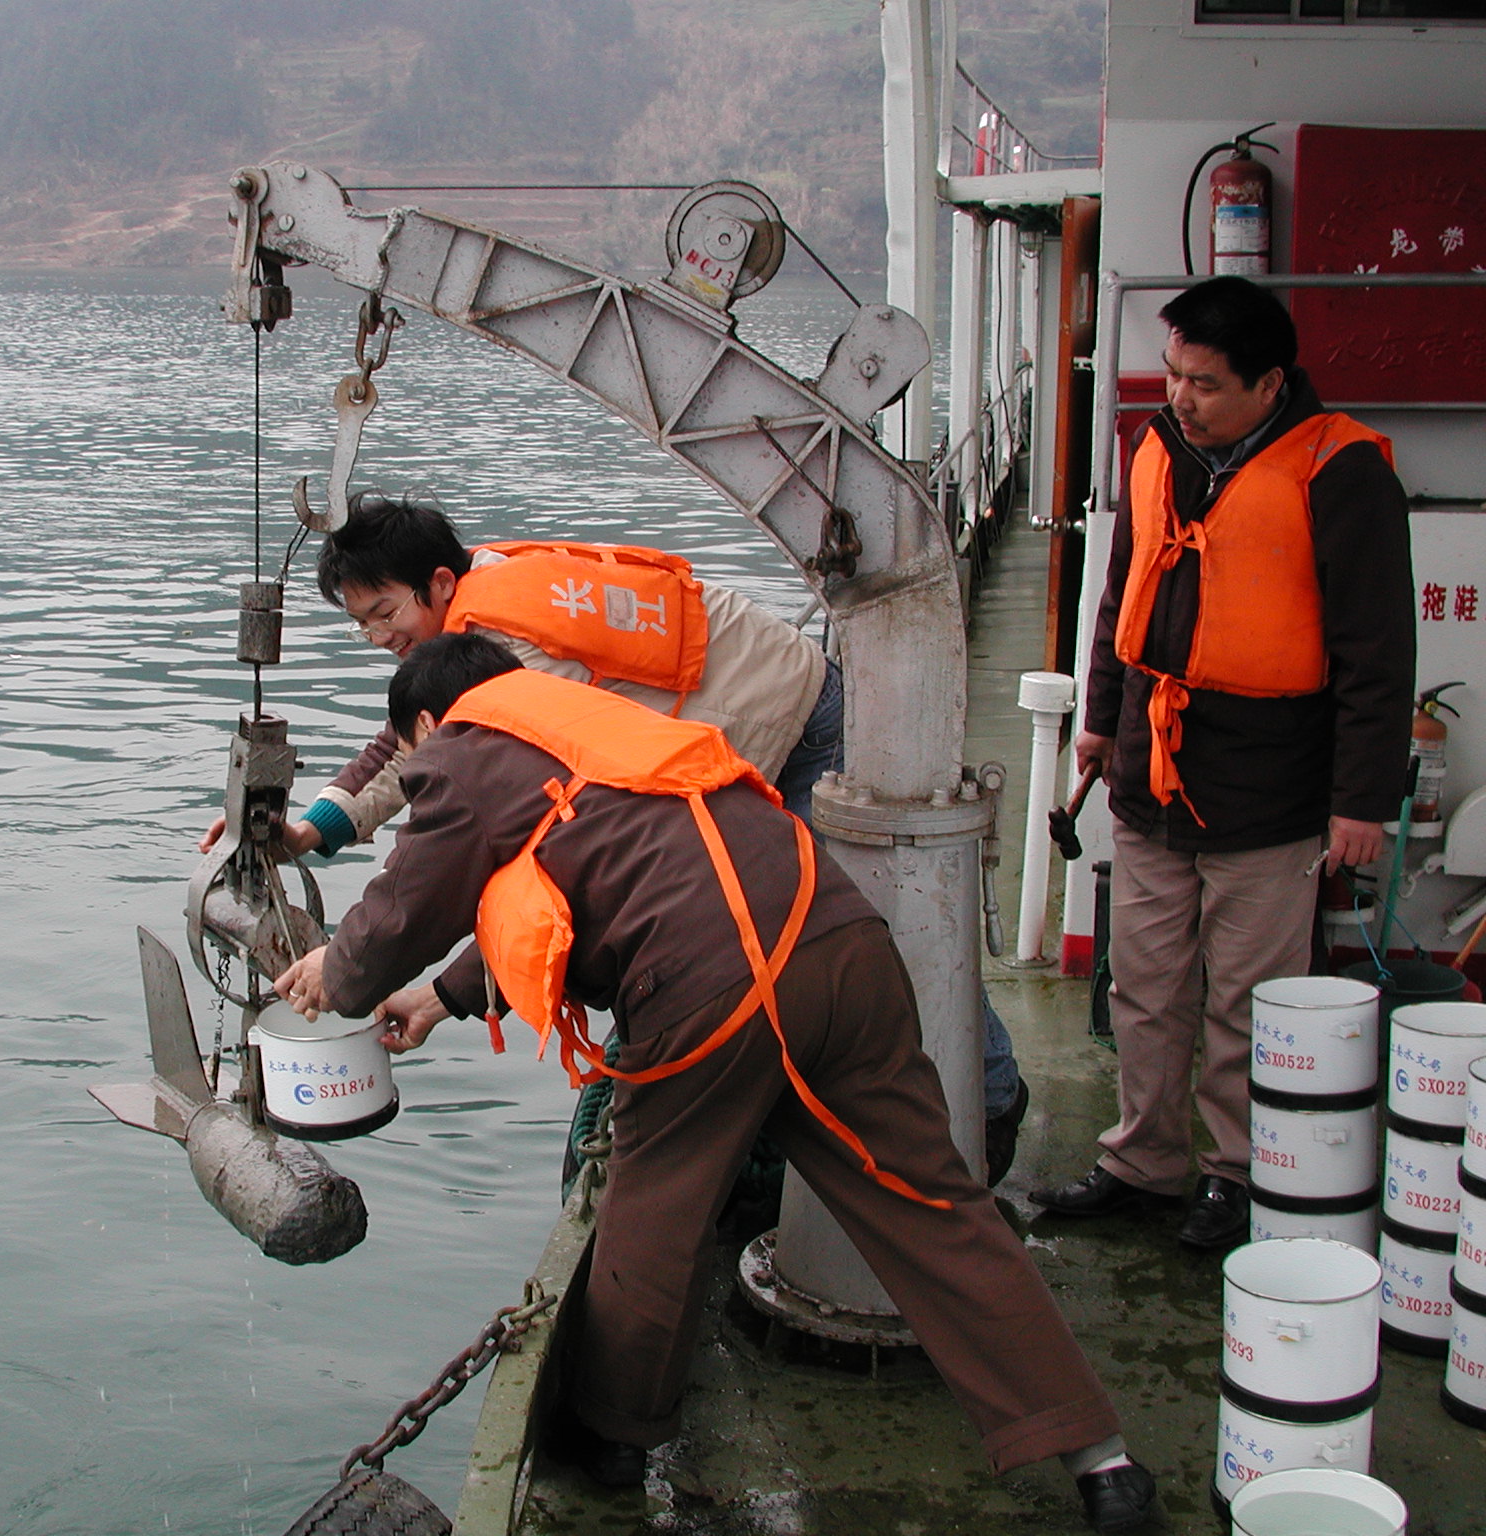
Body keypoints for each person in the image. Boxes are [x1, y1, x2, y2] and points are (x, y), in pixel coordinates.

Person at [272, 633, 1156, 1532]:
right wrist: (442, 997)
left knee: (657, 1201)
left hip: (711, 987)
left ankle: (616, 1436)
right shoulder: (596, 728)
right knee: (935, 1202)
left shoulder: (461, 748)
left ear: (428, 722)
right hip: (839, 940)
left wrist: (337, 976)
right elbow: (587, 879)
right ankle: (1099, 1456)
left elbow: (404, 906)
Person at [205, 494, 1028, 1179]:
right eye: (362, 626)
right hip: (762, 712)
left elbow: (462, 801)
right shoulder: (487, 594)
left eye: (385, 614)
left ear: (439, 583)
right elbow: (411, 739)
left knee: (880, 926)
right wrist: (314, 828)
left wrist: (353, 962)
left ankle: (987, 1102)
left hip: (797, 727)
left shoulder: (509, 648)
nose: (379, 637)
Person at [1030, 276, 1414, 1251]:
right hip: (1151, 773)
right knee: (1143, 986)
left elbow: (1376, 649)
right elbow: (1122, 592)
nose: (1178, 397)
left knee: (1248, 1000)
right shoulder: (1158, 449)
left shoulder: (1340, 469)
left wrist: (1357, 802)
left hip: (1271, 784)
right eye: (1169, 374)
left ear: (1266, 383)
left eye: (1201, 382)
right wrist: (1102, 719)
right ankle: (1140, 1161)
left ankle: (1234, 1176)